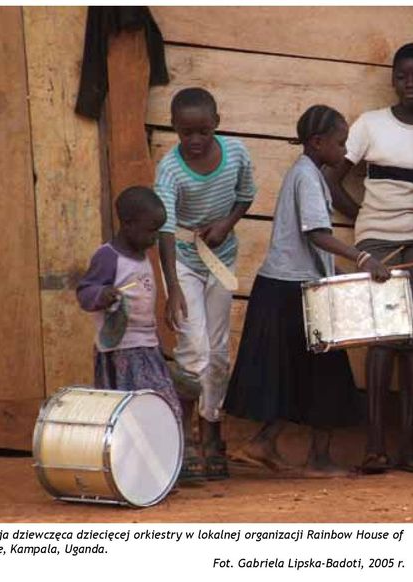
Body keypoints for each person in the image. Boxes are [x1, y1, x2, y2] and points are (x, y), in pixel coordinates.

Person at [225, 105, 391, 478]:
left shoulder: (306, 173)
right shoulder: (308, 177)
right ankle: (316, 458)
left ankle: (263, 444)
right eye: (340, 142)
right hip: (292, 292)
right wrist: (363, 258)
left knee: (298, 374)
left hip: (287, 287)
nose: (344, 149)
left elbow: (312, 244)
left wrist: (347, 270)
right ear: (318, 143)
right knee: (324, 374)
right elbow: (317, 234)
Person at [323, 43, 413, 474]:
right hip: (376, 242)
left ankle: (408, 446)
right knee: (380, 339)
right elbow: (329, 176)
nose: (410, 84)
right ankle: (374, 446)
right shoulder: (370, 124)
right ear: (394, 80)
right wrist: (361, 217)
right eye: (403, 76)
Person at [155, 87, 257, 481]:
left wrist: (226, 225)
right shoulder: (169, 169)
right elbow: (164, 229)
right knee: (192, 349)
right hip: (183, 259)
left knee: (217, 354)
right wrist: (173, 288)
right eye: (186, 133)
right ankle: (183, 441)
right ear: (174, 129)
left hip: (220, 257)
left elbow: (245, 196)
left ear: (217, 123)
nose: (195, 141)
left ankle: (211, 429)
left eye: (202, 131)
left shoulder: (235, 154)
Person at [76, 186, 183, 421]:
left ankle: (155, 454)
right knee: (136, 411)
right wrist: (103, 294)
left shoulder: (142, 254)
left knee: (158, 408)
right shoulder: (108, 257)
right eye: (150, 231)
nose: (155, 238)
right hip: (121, 351)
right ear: (128, 223)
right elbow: (85, 292)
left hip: (147, 347)